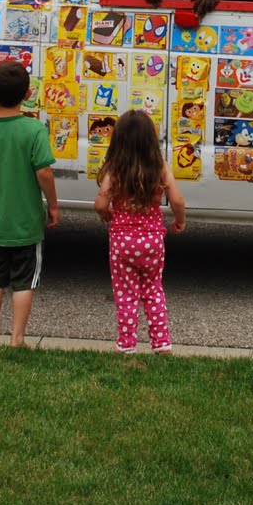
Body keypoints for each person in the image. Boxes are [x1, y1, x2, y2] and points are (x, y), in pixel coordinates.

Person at [0, 60, 60, 347]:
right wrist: (53, 206)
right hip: (26, 224)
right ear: (28, 93)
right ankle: (17, 338)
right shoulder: (33, 130)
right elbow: (43, 172)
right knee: (23, 281)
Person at [92, 109, 187, 353]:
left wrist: (107, 215)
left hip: (122, 242)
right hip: (153, 240)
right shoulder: (160, 167)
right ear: (151, 140)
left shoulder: (115, 169)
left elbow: (101, 204)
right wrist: (179, 220)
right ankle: (162, 343)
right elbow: (177, 200)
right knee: (153, 290)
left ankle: (126, 344)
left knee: (126, 294)